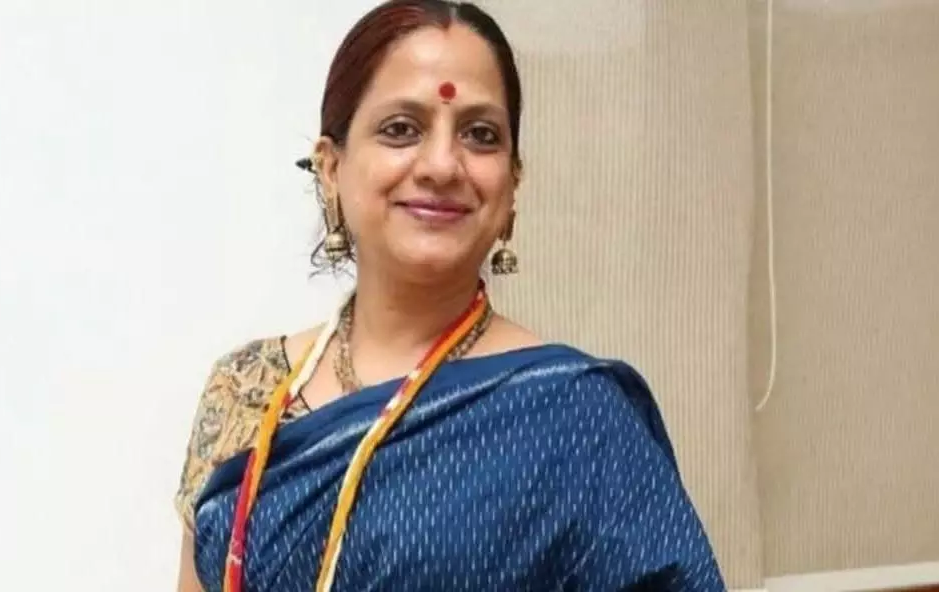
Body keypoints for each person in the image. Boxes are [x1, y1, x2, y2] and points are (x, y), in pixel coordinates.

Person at [174, 1, 726, 590]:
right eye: (401, 129)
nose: (441, 165)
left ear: (512, 184)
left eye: (480, 135)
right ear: (330, 168)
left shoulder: (577, 418)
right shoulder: (246, 390)